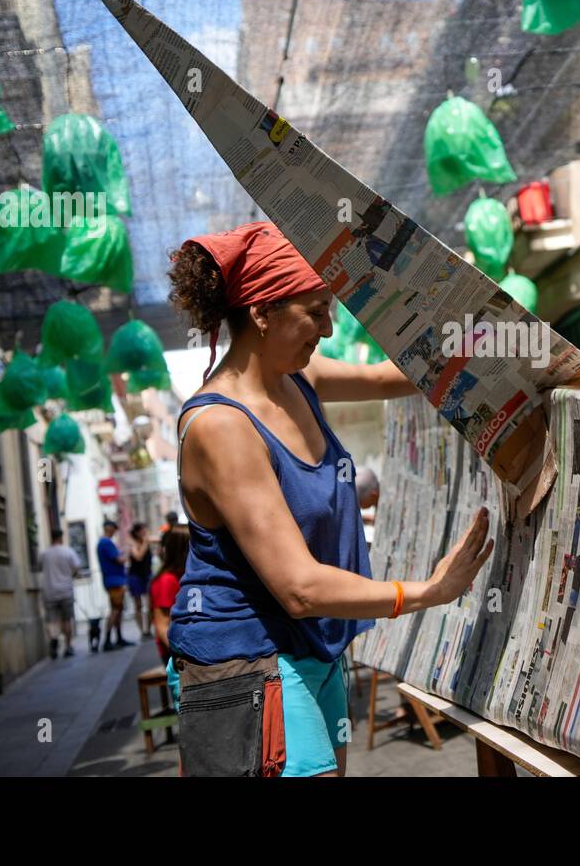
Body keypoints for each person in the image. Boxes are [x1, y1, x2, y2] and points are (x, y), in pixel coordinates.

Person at [166, 221, 492, 777]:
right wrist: (429, 592)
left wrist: (480, 340)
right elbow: (299, 587)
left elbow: (387, 378)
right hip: (245, 661)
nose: (329, 327)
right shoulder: (220, 426)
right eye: (315, 311)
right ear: (263, 313)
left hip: (312, 647)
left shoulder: (299, 376)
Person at [40, 528, 82, 658]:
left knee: (51, 620)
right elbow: (77, 568)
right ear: (61, 538)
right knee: (66, 620)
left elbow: (39, 566)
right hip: (65, 591)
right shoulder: (68, 552)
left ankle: (54, 639)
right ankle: (68, 647)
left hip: (50, 591)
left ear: (51, 538)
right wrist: (72, 575)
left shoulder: (45, 554)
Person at [151, 525, 189, 664]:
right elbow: (162, 625)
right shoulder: (167, 580)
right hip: (178, 655)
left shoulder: (184, 575)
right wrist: (180, 656)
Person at [96, 519, 131, 651]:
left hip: (113, 580)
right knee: (115, 610)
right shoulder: (106, 542)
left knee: (117, 610)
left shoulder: (103, 542)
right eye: (114, 529)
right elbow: (120, 560)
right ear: (109, 528)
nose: (115, 531)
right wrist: (127, 551)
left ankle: (117, 638)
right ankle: (108, 640)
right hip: (114, 581)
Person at [127, 522, 154, 639]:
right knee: (138, 605)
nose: (144, 533)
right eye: (142, 531)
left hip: (146, 575)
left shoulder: (146, 541)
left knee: (149, 603)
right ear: (137, 532)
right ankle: (142, 631)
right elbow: (138, 557)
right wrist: (145, 543)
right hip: (135, 576)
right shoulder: (133, 543)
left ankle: (148, 630)